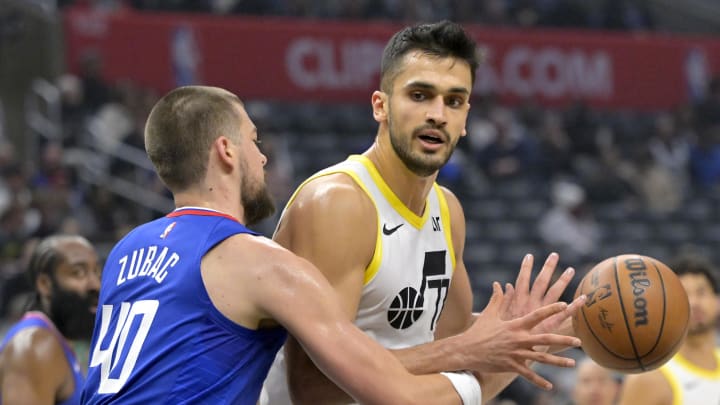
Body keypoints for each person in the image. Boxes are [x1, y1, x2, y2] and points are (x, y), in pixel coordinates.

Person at [80, 85, 582, 405]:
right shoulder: (260, 264)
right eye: (255, 142)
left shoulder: (125, 252)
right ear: (226, 151)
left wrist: (501, 332)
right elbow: (387, 390)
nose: (264, 158)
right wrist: (480, 353)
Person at [262, 20, 584, 404]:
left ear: (466, 118)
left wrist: (525, 333)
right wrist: (467, 350)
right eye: (420, 95)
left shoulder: (447, 210)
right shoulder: (339, 204)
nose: (438, 114)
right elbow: (314, 391)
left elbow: (452, 348)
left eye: (454, 101)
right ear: (380, 106)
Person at [0, 234, 100, 404]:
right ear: (45, 284)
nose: (95, 285)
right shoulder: (33, 345)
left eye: (96, 272)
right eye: (78, 273)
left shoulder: (55, 341)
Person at [618, 254, 720, 405]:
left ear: (717, 301)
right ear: (667, 304)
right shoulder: (649, 379)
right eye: (684, 294)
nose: (694, 302)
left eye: (701, 292)